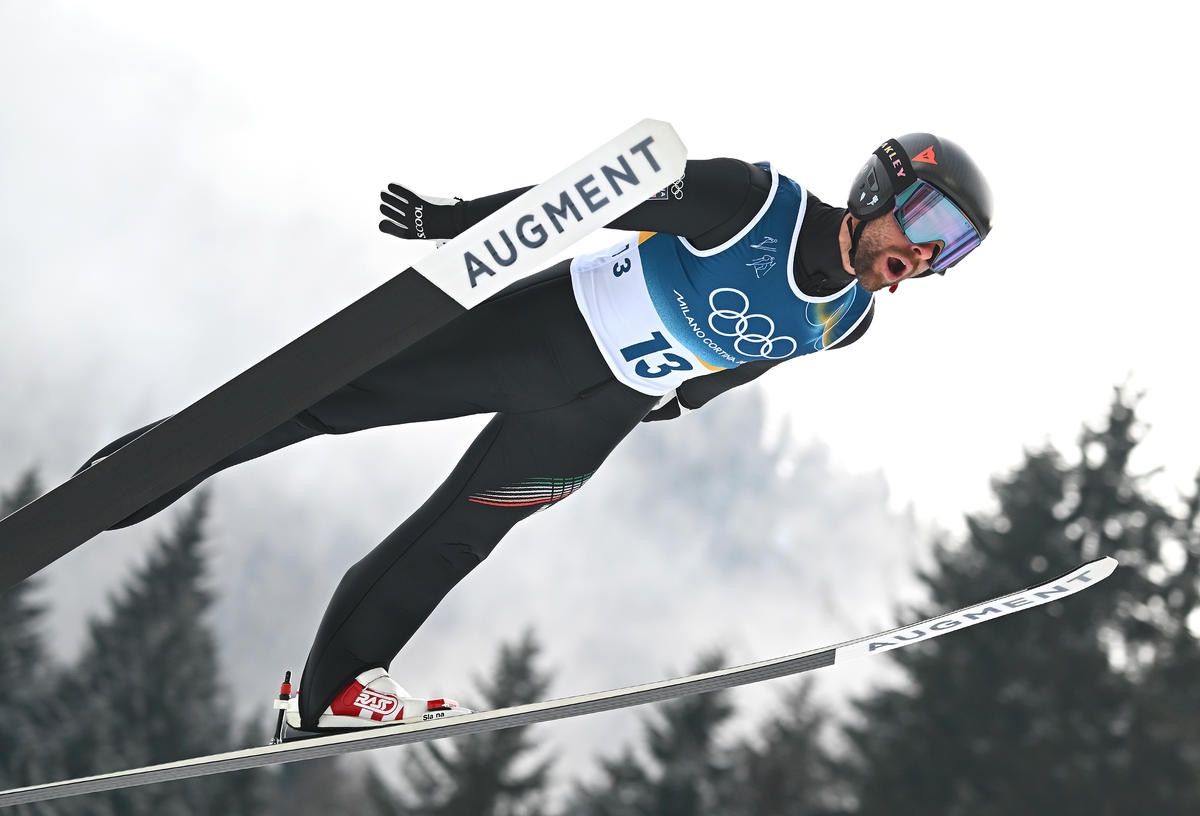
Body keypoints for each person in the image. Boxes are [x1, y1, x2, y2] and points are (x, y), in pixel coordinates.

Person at [80, 133, 993, 731]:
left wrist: (683, 401)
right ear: (879, 186)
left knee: (461, 534)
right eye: (927, 223)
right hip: (548, 332)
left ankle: (336, 691)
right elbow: (598, 198)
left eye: (947, 250)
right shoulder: (751, 201)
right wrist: (459, 223)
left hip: (599, 413)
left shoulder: (847, 322)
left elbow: (755, 355)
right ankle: (120, 483)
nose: (923, 256)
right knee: (329, 399)